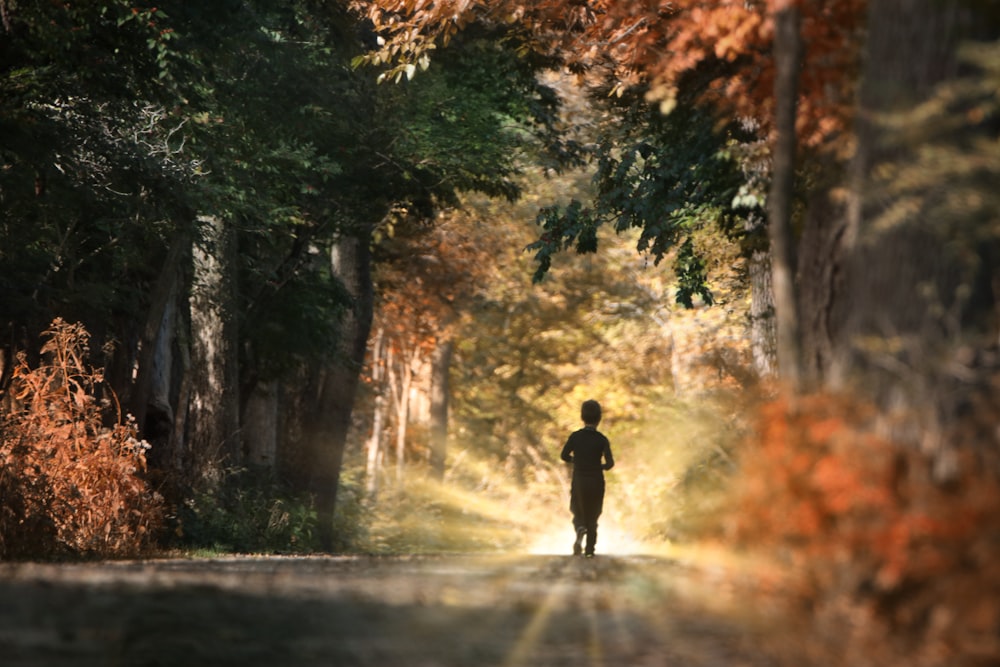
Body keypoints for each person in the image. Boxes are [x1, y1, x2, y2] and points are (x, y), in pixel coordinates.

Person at [560, 399, 614, 557]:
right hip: (597, 480)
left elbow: (564, 456)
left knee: (578, 510)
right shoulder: (602, 439)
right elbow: (610, 463)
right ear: (599, 418)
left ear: (582, 417)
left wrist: (575, 461)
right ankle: (590, 549)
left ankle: (579, 528)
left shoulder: (575, 437)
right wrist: (600, 467)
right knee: (594, 513)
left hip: (580, 480)